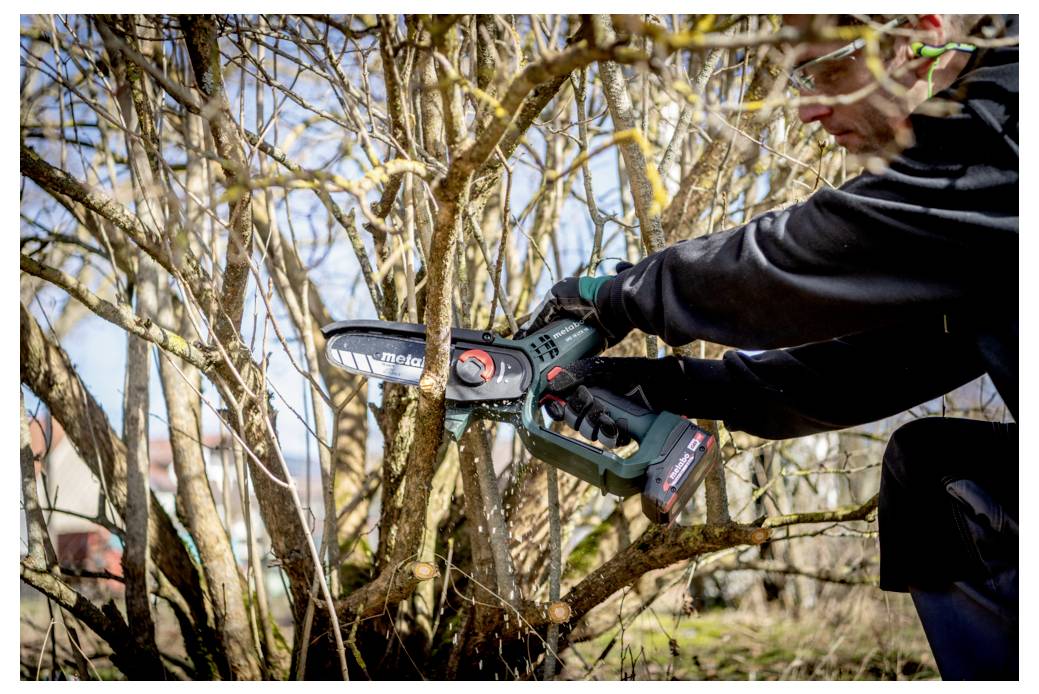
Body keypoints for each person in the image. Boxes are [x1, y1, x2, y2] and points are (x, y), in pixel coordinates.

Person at [520, 14, 1018, 680]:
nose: (810, 109)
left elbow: (808, 253)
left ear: (919, 31)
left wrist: (615, 295)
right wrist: (670, 385)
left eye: (829, 70)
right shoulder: (975, 211)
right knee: (933, 471)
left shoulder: (1007, 122)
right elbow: (878, 367)